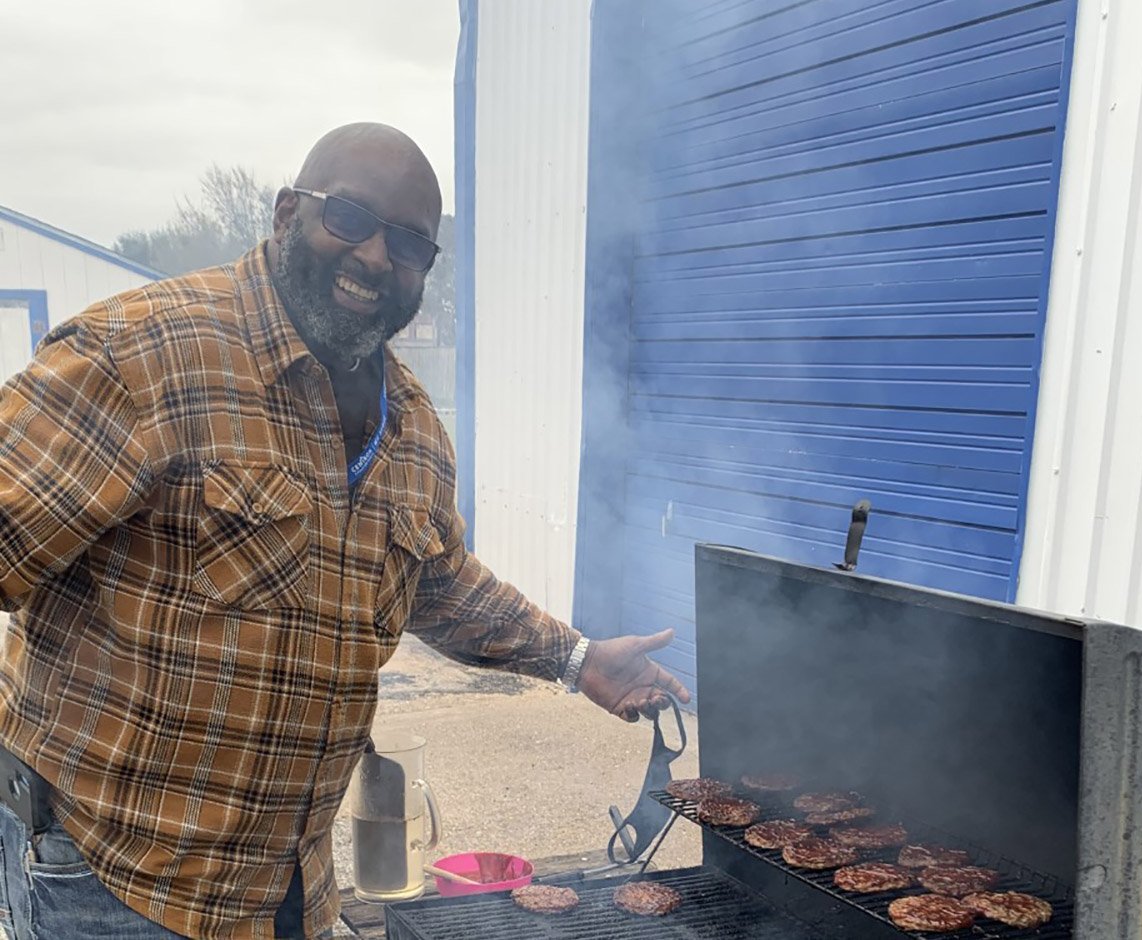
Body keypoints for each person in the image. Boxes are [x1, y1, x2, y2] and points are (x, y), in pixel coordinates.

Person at [0, 123, 689, 939]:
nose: (373, 258)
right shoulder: (142, 354)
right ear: (289, 211)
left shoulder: (413, 425)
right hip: (119, 877)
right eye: (351, 219)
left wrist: (578, 660)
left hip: (288, 877)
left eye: (408, 244)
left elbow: (439, 581)